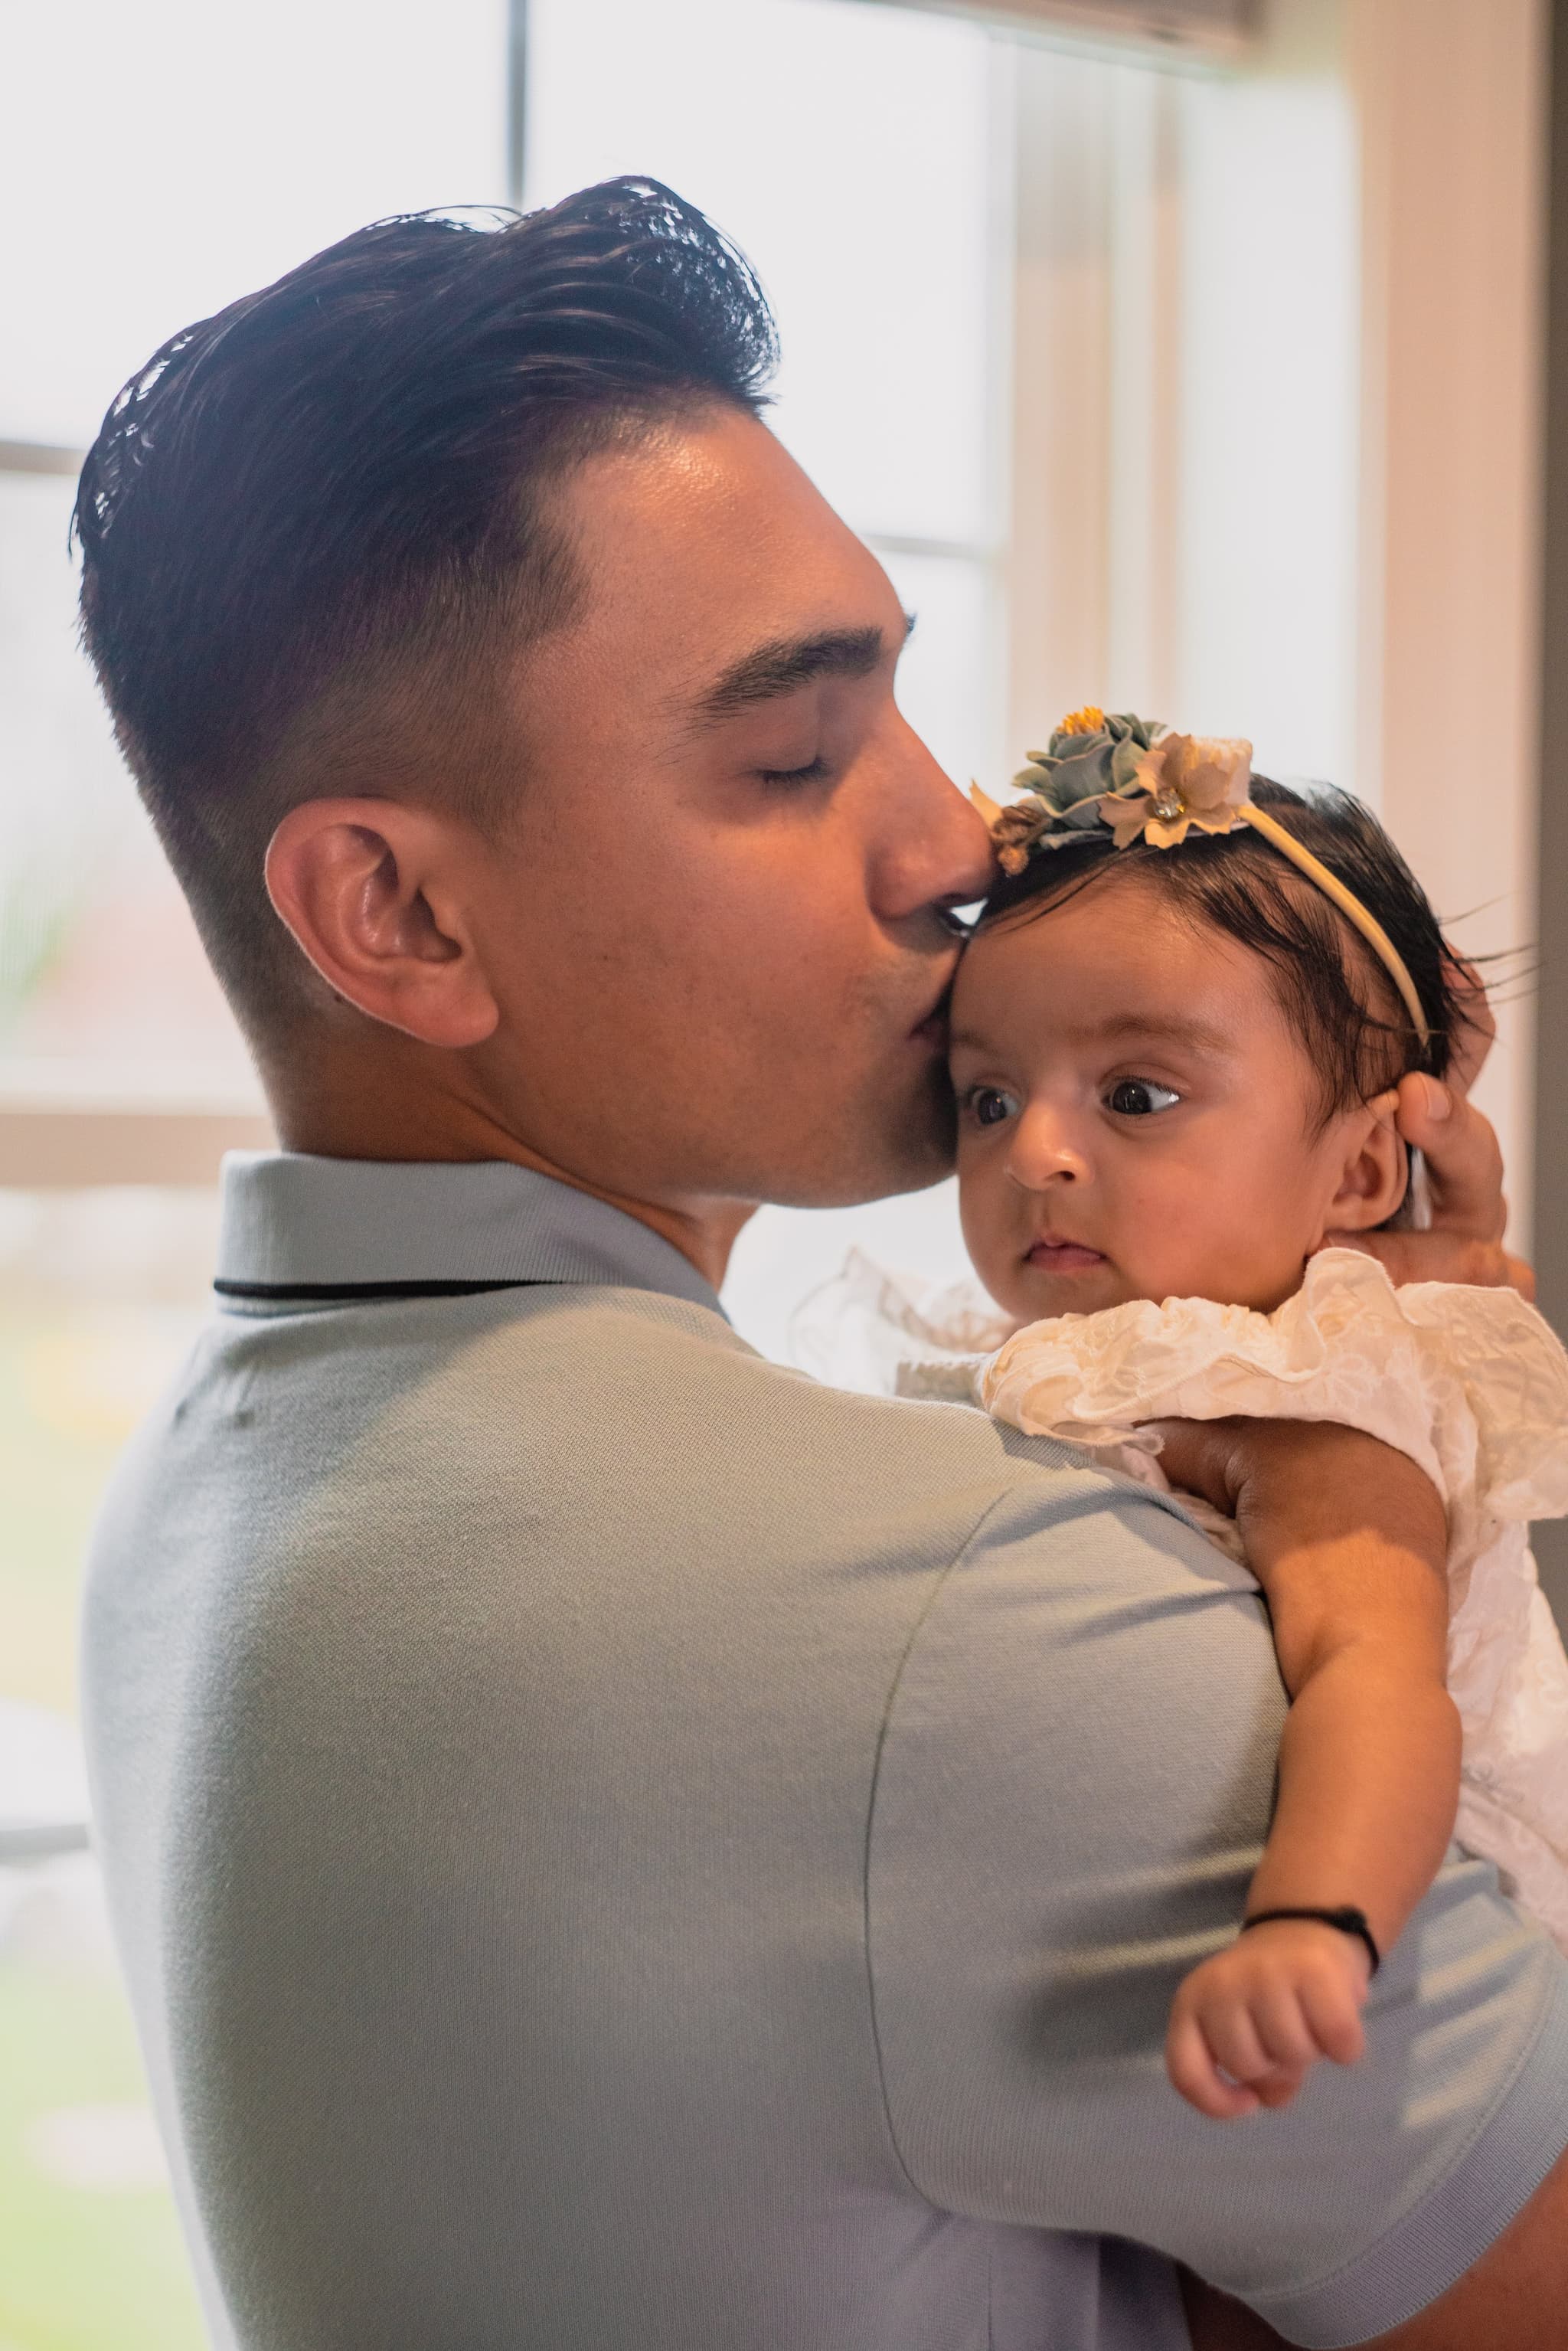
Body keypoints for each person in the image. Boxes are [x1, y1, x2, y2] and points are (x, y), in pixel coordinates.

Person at [73, 179, 1568, 2351]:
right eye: (791, 754)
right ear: (396, 915)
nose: (961, 834)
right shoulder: (967, 1612)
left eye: (896, 705)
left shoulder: (193, 1485)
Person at [857, 711, 1568, 2121]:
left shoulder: (1311, 1409)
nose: (1038, 1154)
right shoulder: (1088, 1346)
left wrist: (1316, 1924)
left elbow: (1377, 1672)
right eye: (988, 1097)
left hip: (1411, 1948)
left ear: (1364, 1166)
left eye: (1137, 1094)